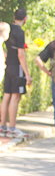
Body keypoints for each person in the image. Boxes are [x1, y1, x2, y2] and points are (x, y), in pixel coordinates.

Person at [0, 8, 32, 139]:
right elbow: (21, 54)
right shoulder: (19, 32)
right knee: (15, 96)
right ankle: (12, 128)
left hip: (8, 65)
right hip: (17, 67)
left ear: (14, 17)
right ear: (25, 18)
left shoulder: (8, 29)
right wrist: (27, 74)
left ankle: (3, 126)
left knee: (6, 95)